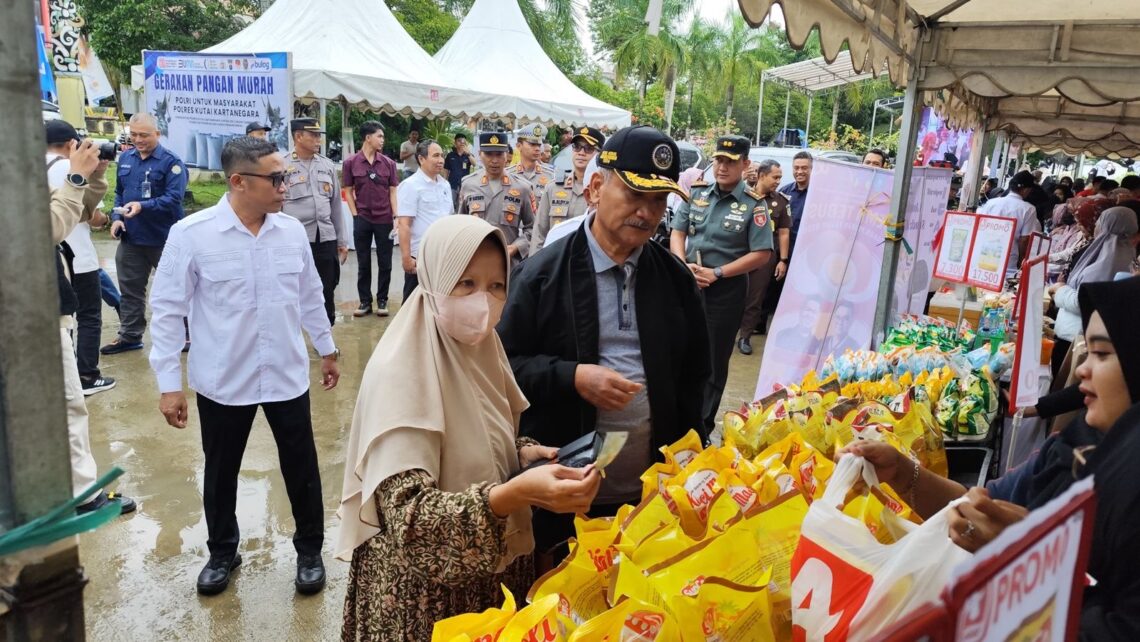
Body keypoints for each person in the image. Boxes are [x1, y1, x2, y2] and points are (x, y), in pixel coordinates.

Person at [338, 216, 601, 640]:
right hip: (426, 603)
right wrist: (515, 494)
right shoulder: (400, 373)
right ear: (435, 279)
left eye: (496, 286)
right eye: (466, 284)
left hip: (491, 579)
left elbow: (480, 434)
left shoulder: (484, 349)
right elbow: (412, 522)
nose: (484, 300)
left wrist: (523, 453)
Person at [845, 276, 1140, 639]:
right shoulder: (1071, 448)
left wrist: (1032, 562)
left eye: (1102, 353)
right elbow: (979, 506)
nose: (1082, 368)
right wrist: (903, 473)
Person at [499, 125, 711, 563]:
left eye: (658, 201)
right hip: (564, 501)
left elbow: (697, 377)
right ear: (596, 187)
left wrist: (693, 456)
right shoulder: (542, 275)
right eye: (635, 195)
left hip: (651, 499)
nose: (647, 213)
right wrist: (571, 376)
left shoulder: (675, 281)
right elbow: (502, 368)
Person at [149, 137, 340, 596]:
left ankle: (309, 550)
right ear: (238, 181)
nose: (285, 186)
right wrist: (169, 385)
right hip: (223, 378)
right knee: (221, 469)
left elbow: (311, 295)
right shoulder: (192, 234)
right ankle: (222, 551)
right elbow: (167, 308)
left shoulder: (291, 231)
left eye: (286, 175)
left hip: (285, 373)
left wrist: (326, 348)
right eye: (276, 178)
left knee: (301, 466)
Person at [46, 130, 137, 515]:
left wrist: (94, 175)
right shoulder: (53, 172)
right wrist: (78, 176)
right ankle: (86, 497)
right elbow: (51, 227)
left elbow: (85, 211)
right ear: (69, 145)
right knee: (68, 406)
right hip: (37, 310)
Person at [670, 135, 774, 432]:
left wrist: (718, 273)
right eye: (718, 160)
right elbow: (678, 232)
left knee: (713, 361)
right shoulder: (698, 193)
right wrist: (682, 265)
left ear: (745, 164)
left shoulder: (754, 205)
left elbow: (762, 253)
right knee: (681, 350)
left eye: (730, 161)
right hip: (689, 282)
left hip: (724, 289)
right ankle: (677, 417)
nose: (722, 167)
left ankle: (700, 427)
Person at [102, 113, 187, 355]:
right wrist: (117, 218)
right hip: (132, 239)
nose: (138, 139)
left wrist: (142, 206)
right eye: (134, 134)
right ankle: (130, 335)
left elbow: (174, 199)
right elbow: (120, 193)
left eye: (144, 135)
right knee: (130, 290)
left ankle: (188, 334)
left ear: (157, 135)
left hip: (164, 239)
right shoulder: (126, 158)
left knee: (178, 289)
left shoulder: (171, 162)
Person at [46, 121, 115, 395]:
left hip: (46, 265)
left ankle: (64, 376)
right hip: (77, 258)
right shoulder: (69, 169)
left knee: (63, 320)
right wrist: (92, 175)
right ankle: (86, 375)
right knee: (87, 315)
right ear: (71, 144)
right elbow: (92, 215)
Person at [1048, 207, 1138, 377]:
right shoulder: (1112, 252)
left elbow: (1086, 301)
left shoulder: (1111, 259)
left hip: (1078, 341)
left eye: (1100, 222)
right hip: (1075, 336)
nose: (1096, 225)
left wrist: (1060, 290)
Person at [283, 118, 347, 326]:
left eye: (319, 135)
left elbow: (336, 205)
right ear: (298, 136)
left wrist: (342, 240)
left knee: (326, 287)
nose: (318, 139)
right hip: (295, 240)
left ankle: (325, 334)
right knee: (293, 289)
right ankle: (294, 334)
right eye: (314, 135)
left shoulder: (326, 165)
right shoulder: (283, 166)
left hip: (325, 237)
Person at [343, 120, 400, 317]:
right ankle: (365, 301)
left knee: (386, 262)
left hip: (384, 218)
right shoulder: (350, 163)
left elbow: (393, 192)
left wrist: (396, 216)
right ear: (368, 138)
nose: (382, 140)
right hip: (363, 219)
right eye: (379, 136)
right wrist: (355, 215)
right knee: (363, 262)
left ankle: (382, 300)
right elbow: (348, 191)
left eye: (382, 137)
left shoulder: (388, 164)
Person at [459, 132, 536, 267]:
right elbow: (460, 226)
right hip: (474, 262)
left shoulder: (522, 187)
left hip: (508, 265)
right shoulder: (468, 185)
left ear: (507, 155)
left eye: (499, 154)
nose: (494, 160)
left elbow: (533, 228)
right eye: (489, 154)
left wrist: (516, 247)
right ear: (479, 154)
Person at [737, 159, 790, 355]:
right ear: (761, 175)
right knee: (732, 294)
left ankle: (745, 336)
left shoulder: (781, 202)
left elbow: (784, 232)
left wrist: (782, 260)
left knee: (755, 297)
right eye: (775, 177)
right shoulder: (742, 195)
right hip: (738, 254)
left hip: (765, 257)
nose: (778, 181)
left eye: (780, 178)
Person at [396, 139, 452, 301]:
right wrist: (406, 258)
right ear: (421, 159)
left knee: (440, 303)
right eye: (435, 156)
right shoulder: (410, 185)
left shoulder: (445, 186)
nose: (441, 160)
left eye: (442, 155)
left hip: (442, 257)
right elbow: (404, 225)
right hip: (419, 259)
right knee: (413, 306)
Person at [532, 126, 604, 253]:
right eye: (577, 147)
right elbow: (539, 234)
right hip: (554, 260)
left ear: (599, 154)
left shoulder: (603, 192)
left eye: (588, 148)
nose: (581, 152)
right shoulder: (553, 187)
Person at [977, 170, 1042, 278]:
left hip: (984, 257)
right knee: (1001, 294)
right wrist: (1021, 261)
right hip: (1008, 263)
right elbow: (1024, 239)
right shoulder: (1028, 209)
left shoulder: (991, 203)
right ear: (1026, 190)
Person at [778, 151, 813, 251]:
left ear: (812, 169)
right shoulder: (783, 192)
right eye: (796, 168)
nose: (800, 171)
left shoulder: (818, 194)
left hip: (808, 250)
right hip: (784, 250)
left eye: (804, 168)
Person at [508, 123, 555, 193]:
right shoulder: (508, 174)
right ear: (519, 146)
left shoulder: (551, 176)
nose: (537, 149)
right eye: (532, 144)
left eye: (539, 145)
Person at [443, 133, 476, 211]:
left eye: (463, 141)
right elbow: (446, 170)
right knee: (449, 205)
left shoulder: (468, 155)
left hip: (464, 185)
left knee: (461, 207)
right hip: (452, 184)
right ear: (455, 143)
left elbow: (474, 164)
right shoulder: (450, 155)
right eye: (459, 141)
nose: (462, 142)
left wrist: (468, 154)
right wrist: (444, 182)